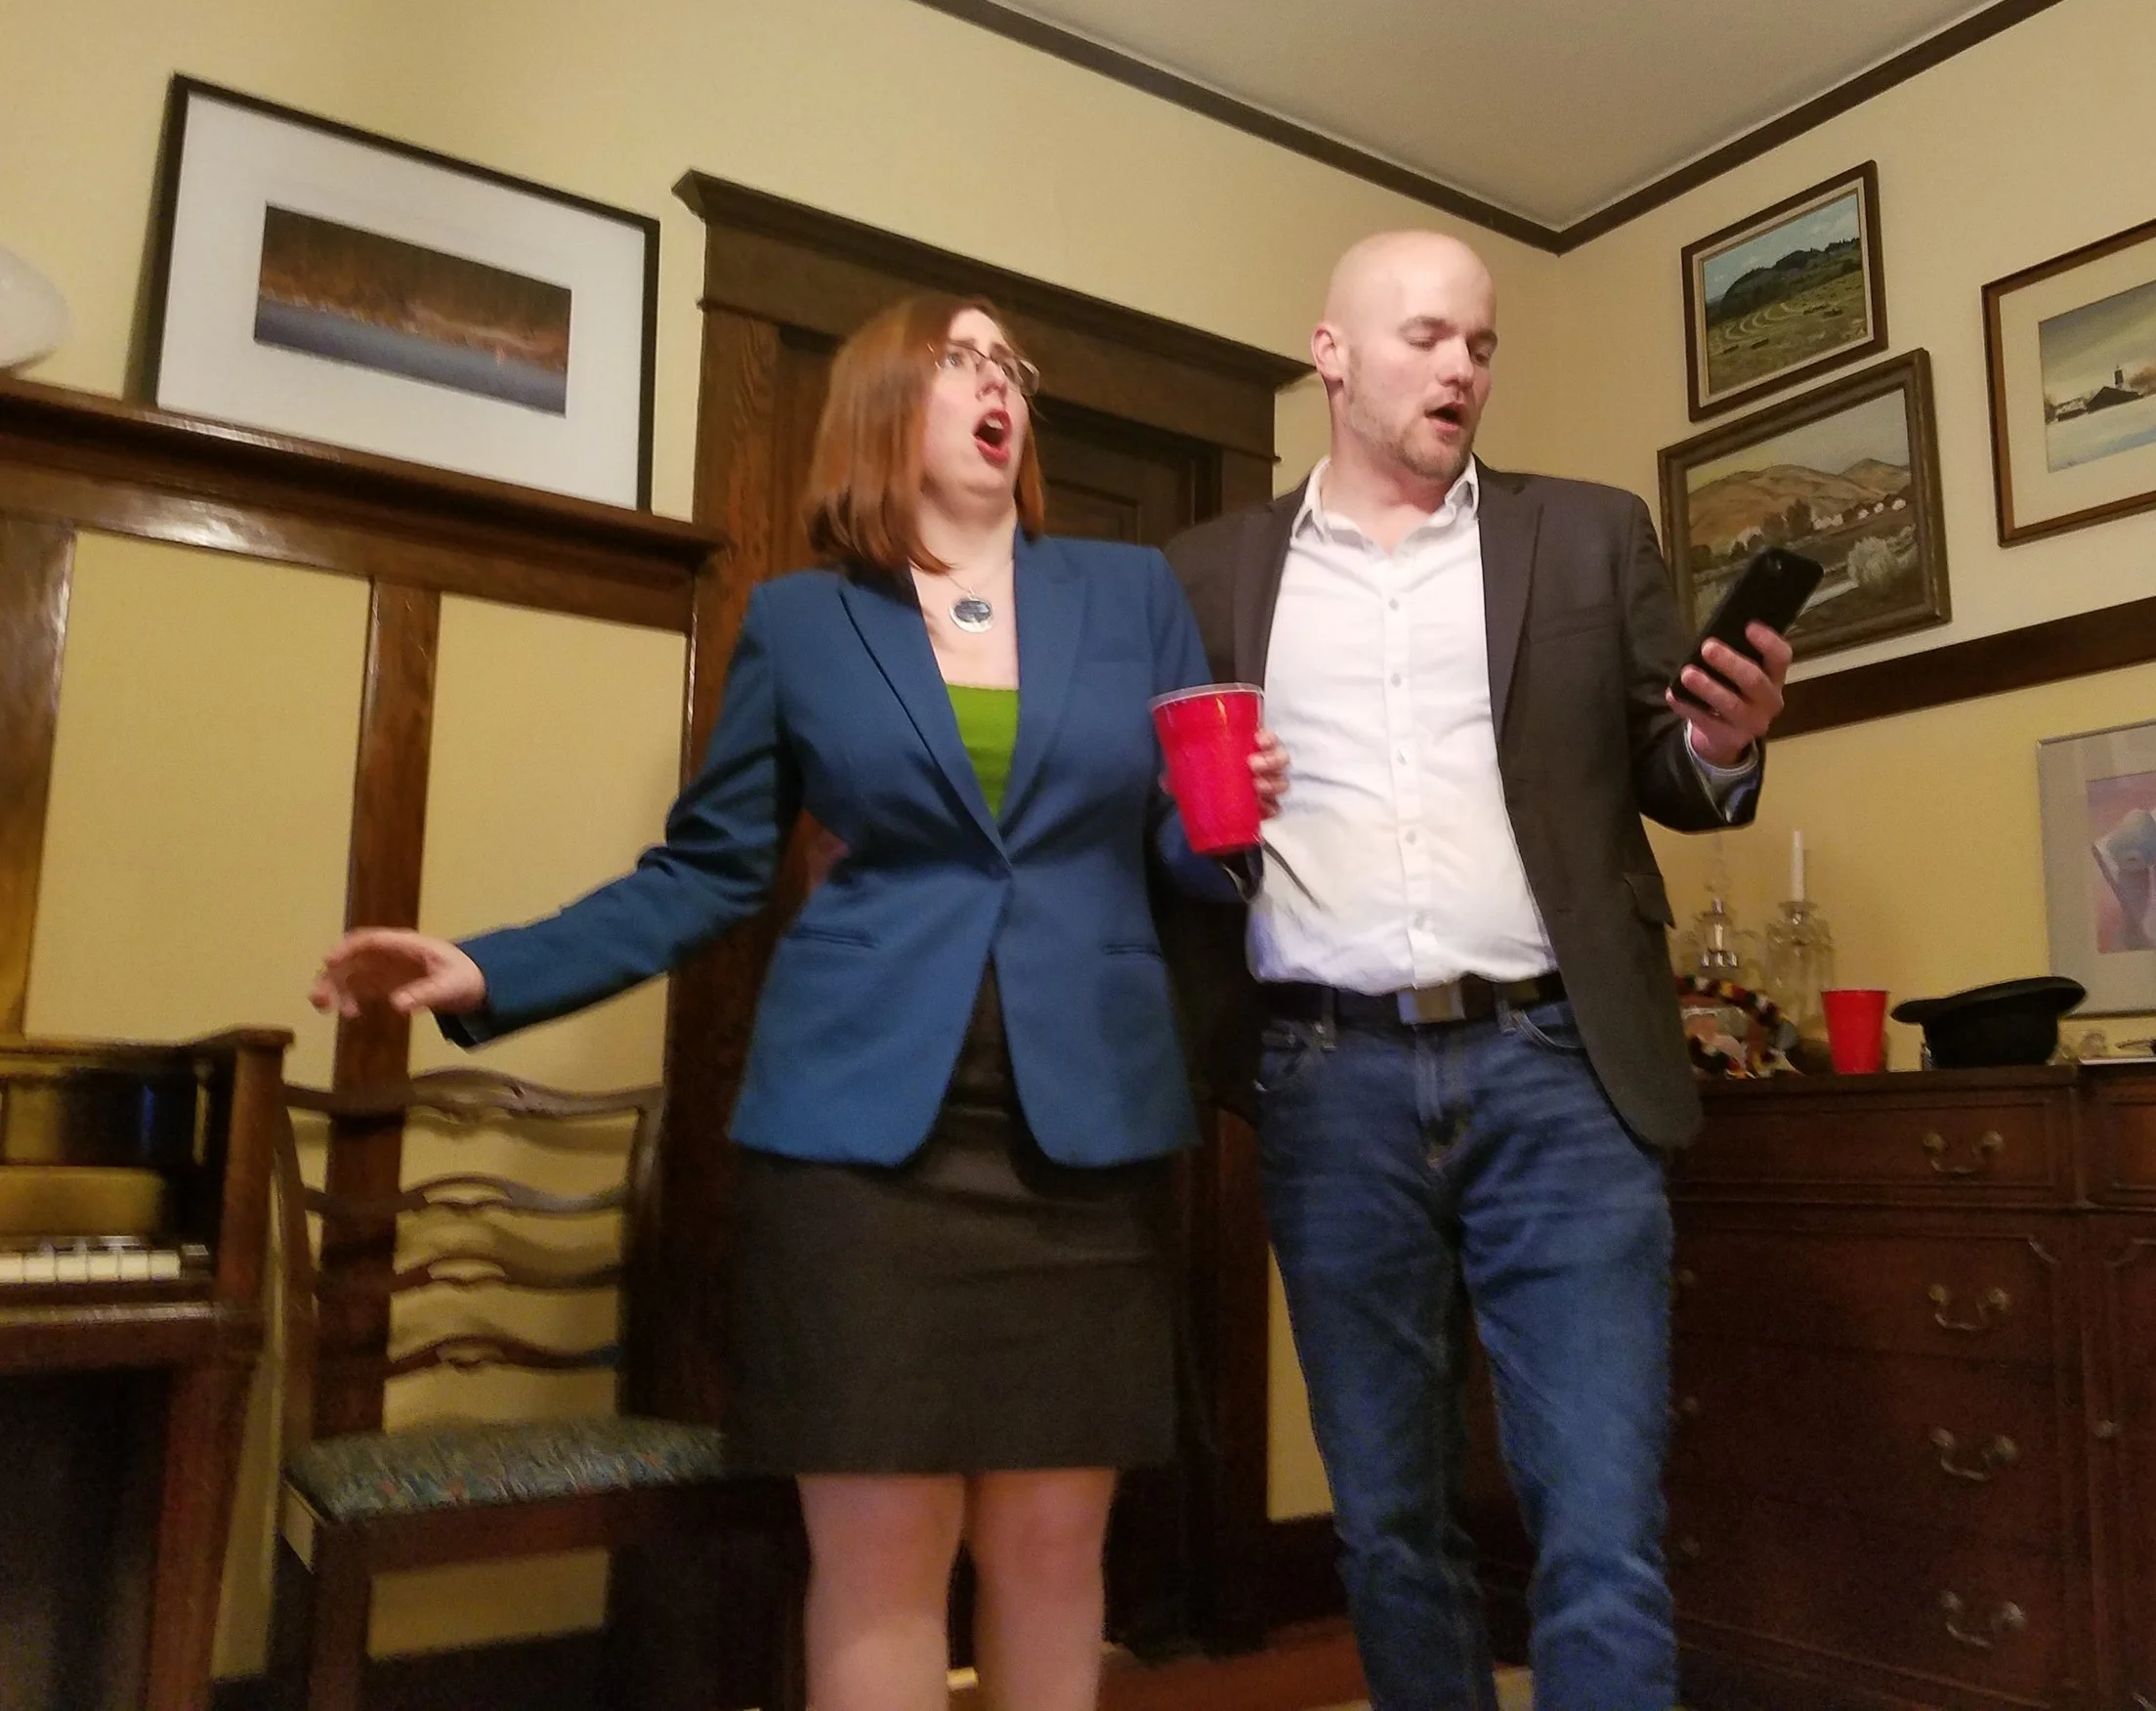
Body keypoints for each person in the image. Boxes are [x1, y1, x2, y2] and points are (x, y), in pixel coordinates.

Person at [312, 293, 1284, 1711]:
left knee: (1053, 1541)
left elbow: (1190, 852)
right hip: (856, 1148)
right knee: (883, 1547)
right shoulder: (803, 621)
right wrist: (494, 966)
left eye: (1012, 366)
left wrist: (1233, 819)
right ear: (884, 401)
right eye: (959, 361)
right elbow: (708, 867)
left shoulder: (1131, 595)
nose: (998, 384)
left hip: (1088, 1136)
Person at [1163, 232, 1791, 1711]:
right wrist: (1191, 815)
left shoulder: (1588, 535)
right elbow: (1168, 826)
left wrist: (1722, 741)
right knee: (1390, 1524)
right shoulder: (1206, 572)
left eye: (1483, 345)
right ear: (1331, 354)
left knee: (1602, 1530)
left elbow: (1668, 766)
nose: (1463, 369)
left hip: (1559, 1072)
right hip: (1325, 1082)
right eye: (1428, 337)